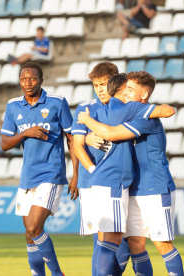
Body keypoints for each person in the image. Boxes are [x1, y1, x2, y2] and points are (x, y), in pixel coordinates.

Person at [78, 71, 184, 276]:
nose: (125, 93)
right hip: (134, 188)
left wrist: (87, 122)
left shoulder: (145, 117)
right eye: (125, 88)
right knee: (135, 243)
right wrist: (89, 137)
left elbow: (110, 133)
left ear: (143, 95)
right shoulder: (127, 112)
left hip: (155, 186)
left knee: (162, 244)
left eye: (131, 89)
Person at [0, 62, 78, 276]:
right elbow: (5, 144)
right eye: (23, 79)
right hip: (28, 176)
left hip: (51, 174)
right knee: (29, 233)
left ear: (41, 80)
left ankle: (57, 273)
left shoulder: (57, 102)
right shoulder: (13, 105)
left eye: (32, 78)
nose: (27, 83)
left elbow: (72, 139)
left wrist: (76, 174)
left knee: (34, 228)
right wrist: (25, 133)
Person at [71, 62, 131, 276]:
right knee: (103, 240)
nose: (100, 89)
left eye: (104, 84)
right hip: (94, 181)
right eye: (96, 85)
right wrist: (92, 168)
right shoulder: (85, 108)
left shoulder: (125, 105)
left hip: (122, 179)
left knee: (124, 244)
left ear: (114, 82)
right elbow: (76, 145)